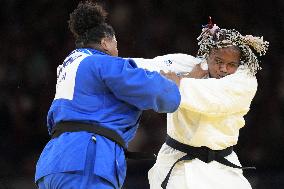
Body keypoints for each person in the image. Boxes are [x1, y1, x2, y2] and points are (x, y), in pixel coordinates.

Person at [34, 1, 181, 189]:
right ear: (105, 42)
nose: (117, 52)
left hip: (53, 162)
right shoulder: (101, 62)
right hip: (86, 161)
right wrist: (173, 85)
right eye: (115, 44)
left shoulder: (68, 67)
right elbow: (161, 95)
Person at [131, 21, 269, 189]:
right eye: (218, 61)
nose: (224, 69)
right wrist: (94, 59)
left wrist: (182, 82)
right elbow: (142, 66)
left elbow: (212, 98)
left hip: (222, 170)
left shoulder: (244, 82)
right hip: (176, 164)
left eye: (231, 64)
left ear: (239, 64)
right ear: (207, 56)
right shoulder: (188, 65)